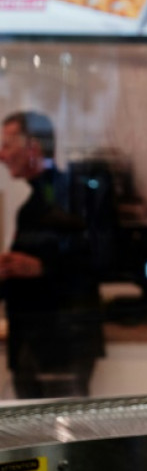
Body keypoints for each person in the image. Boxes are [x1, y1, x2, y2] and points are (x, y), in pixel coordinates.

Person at [0, 110, 105, 398]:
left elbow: (101, 259)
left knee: (64, 437)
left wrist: (42, 267)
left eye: (7, 145)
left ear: (32, 148)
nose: (2, 155)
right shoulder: (33, 205)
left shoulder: (71, 195)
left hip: (63, 342)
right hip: (30, 341)